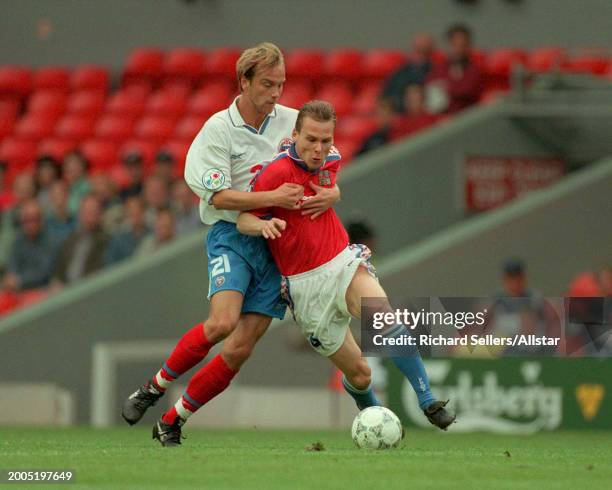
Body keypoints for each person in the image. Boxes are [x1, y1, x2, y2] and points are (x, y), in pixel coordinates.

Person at [121, 42, 340, 446]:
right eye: (268, 84)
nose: (276, 94)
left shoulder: (293, 121)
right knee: (222, 323)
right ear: (244, 81)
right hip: (234, 236)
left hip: (279, 245)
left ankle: (172, 419)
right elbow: (219, 198)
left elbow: (326, 161)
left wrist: (333, 191)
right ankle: (153, 387)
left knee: (240, 348)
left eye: (281, 84)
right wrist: (272, 199)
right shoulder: (217, 131)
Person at [237, 101, 455, 431]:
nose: (319, 148)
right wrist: (264, 226)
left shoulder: (332, 159)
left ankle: (427, 400)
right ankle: (377, 420)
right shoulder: (276, 173)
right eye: (311, 139)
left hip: (341, 261)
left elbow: (328, 183)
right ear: (295, 134)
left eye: (326, 140)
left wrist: (333, 193)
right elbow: (243, 219)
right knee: (360, 374)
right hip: (305, 287)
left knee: (383, 316)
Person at [50, 194, 110, 290]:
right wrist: (56, 283)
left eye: (92, 212)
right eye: (85, 212)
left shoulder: (105, 240)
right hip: (65, 290)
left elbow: (99, 271)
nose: (88, 216)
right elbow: (59, 270)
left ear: (100, 215)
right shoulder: (71, 239)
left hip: (88, 289)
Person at [2, 199, 59, 291]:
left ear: (41, 220)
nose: (30, 225)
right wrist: (12, 279)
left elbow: (44, 273)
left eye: (34, 220)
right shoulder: (18, 241)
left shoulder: (51, 240)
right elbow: (12, 265)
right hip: (18, 290)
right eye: (26, 221)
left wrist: (20, 280)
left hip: (42, 290)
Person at [426, 24, 483, 114]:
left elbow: (466, 90)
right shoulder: (439, 69)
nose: (459, 49)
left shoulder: (475, 70)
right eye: (455, 45)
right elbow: (431, 91)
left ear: (468, 46)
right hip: (441, 119)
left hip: (467, 118)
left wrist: (445, 88)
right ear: (449, 45)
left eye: (462, 45)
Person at [379, 33, 437, 114]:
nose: (420, 55)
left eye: (424, 51)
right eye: (418, 50)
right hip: (401, 116)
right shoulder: (399, 74)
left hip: (428, 117)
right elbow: (385, 98)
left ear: (431, 51)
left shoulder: (438, 72)